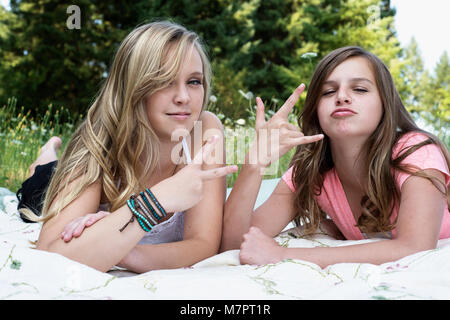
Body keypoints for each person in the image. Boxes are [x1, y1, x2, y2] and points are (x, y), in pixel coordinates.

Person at [17, 21, 238, 273]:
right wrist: (158, 199)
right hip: (53, 181)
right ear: (134, 86)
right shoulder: (98, 144)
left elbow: (203, 244)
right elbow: (49, 255)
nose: (183, 97)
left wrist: (117, 249)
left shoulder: (205, 129)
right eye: (164, 80)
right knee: (38, 186)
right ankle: (46, 155)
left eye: (194, 81)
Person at [220, 46, 450, 268]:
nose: (341, 97)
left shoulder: (415, 151)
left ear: (385, 104)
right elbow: (234, 244)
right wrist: (254, 164)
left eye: (359, 89)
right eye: (328, 92)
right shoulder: (311, 172)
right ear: (316, 110)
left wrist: (282, 254)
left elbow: (414, 247)